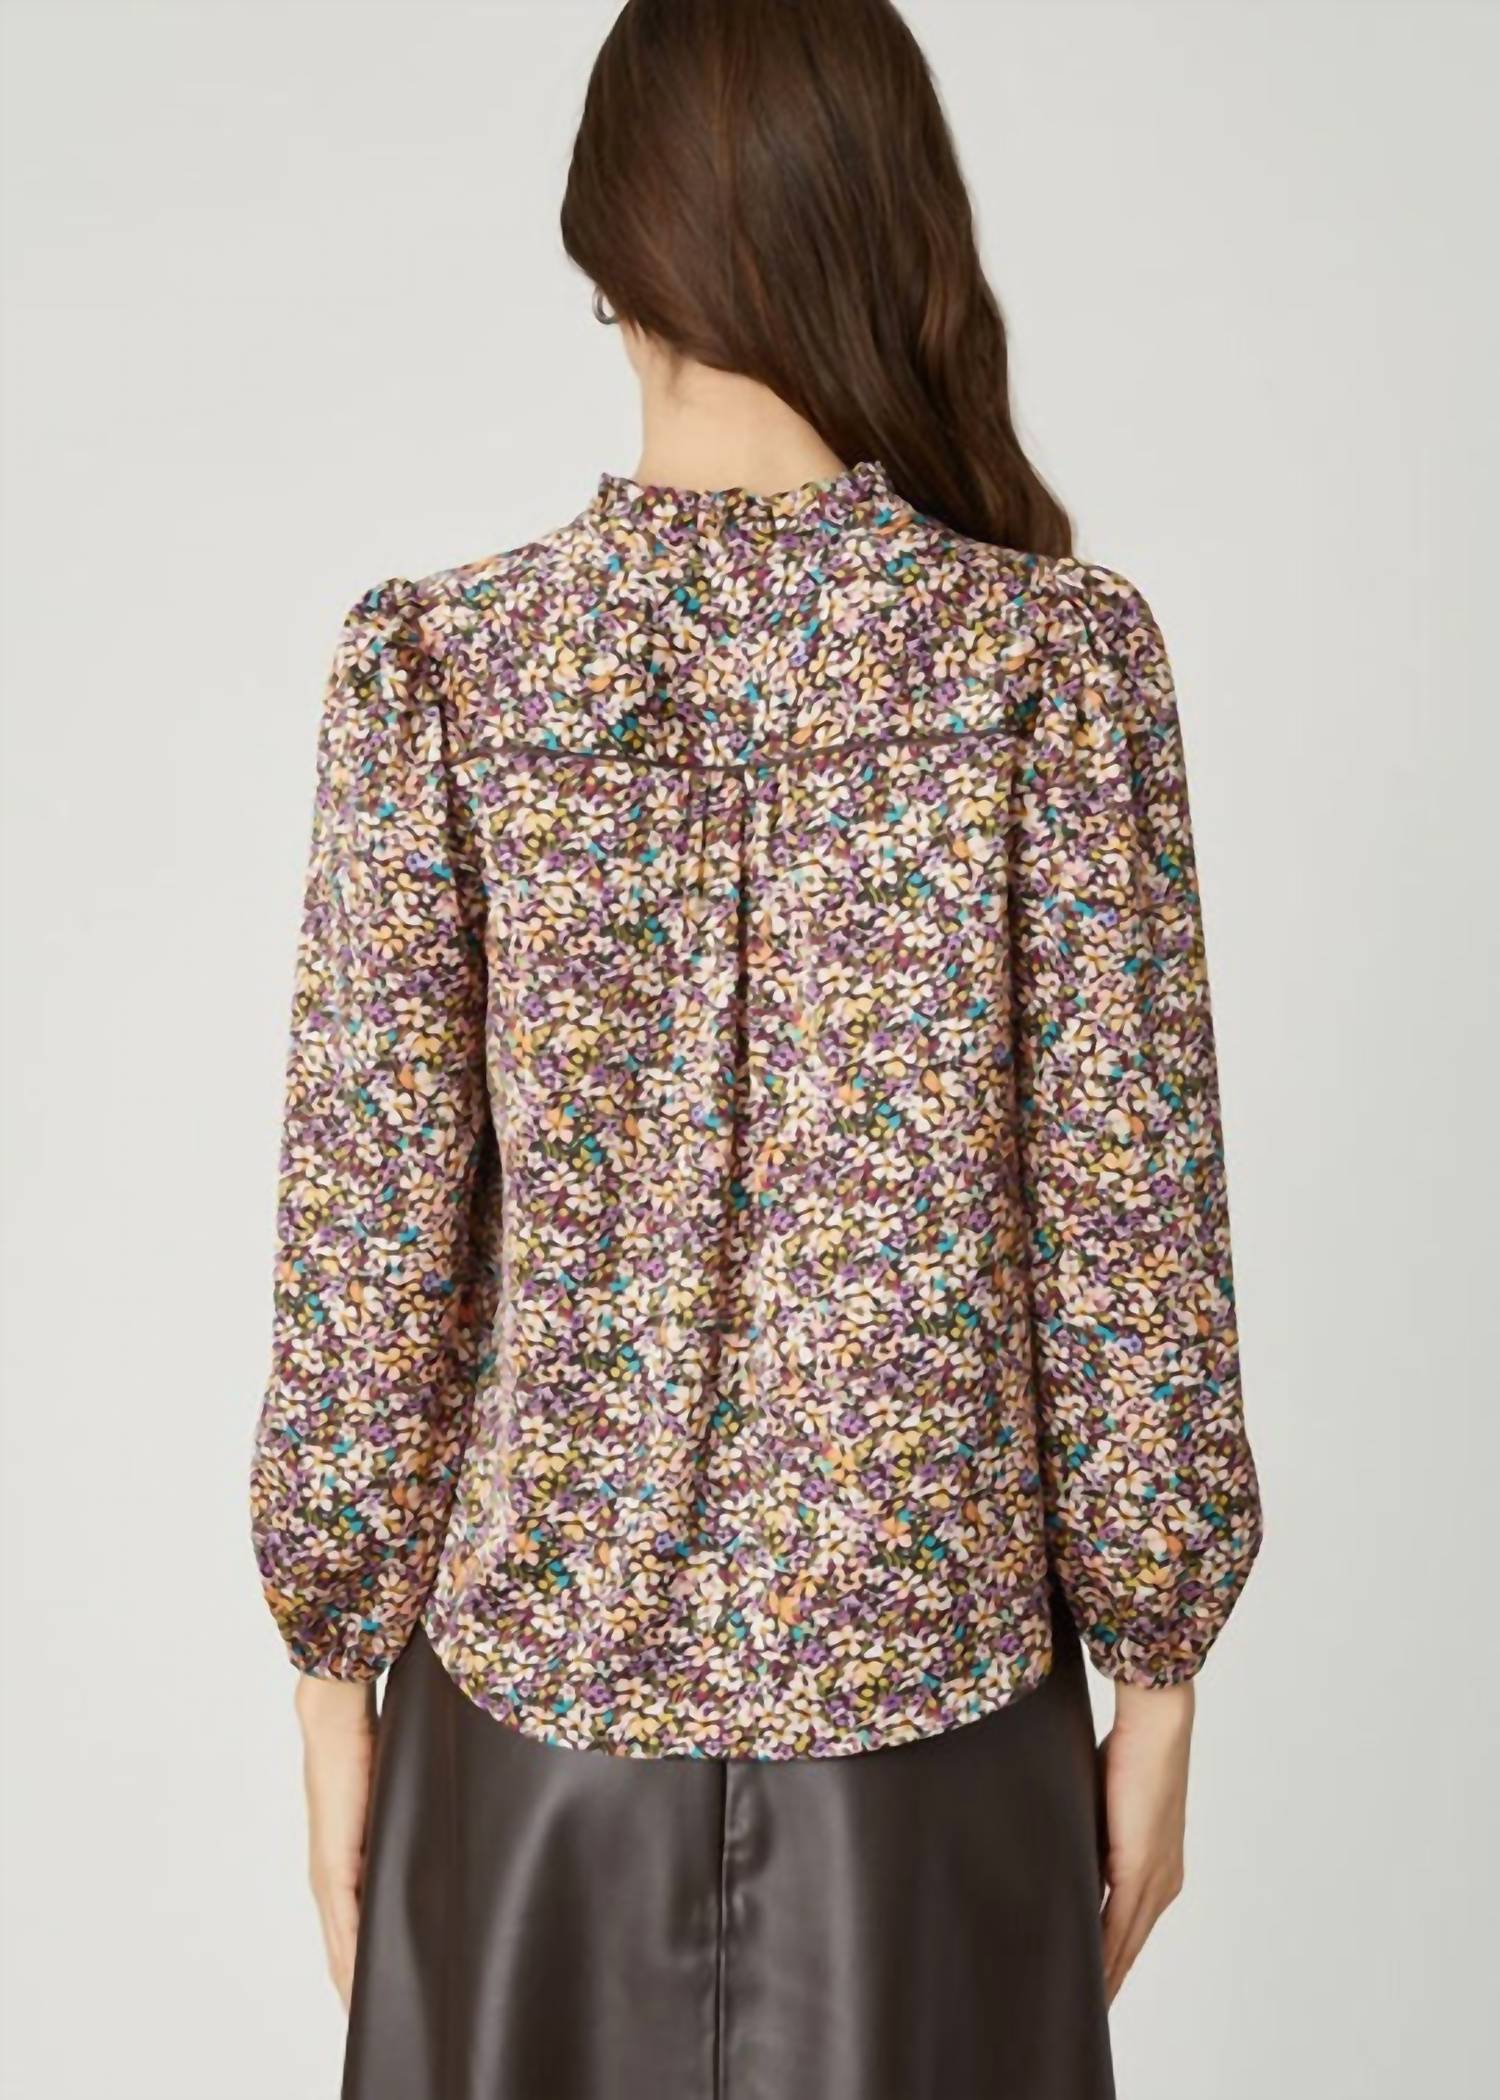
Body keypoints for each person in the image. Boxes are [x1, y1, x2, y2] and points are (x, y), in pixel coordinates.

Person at [249, 2, 1263, 2094]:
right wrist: (1160, 1678)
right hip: (936, 1740)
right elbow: (1130, 1236)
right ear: (890, 230)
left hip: (530, 1737)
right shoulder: (1054, 666)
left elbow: (370, 1249)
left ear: (604, 258)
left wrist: (331, 1679)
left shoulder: (443, 670)